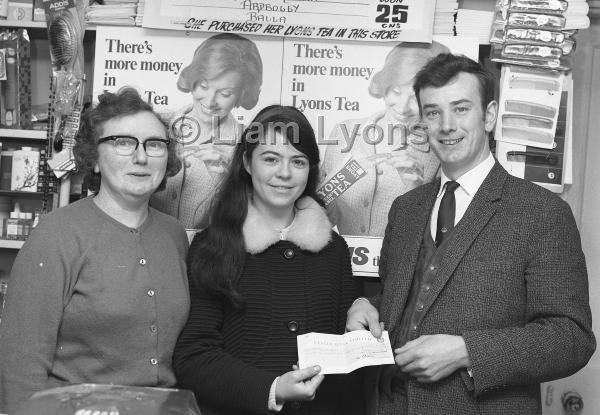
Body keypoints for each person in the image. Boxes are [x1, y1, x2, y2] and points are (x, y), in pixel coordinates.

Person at [346, 53, 595, 414]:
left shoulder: (542, 212)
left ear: (489, 115)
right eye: (433, 112)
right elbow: (409, 300)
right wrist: (368, 308)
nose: (447, 125)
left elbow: (571, 338)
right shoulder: (406, 209)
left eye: (460, 109)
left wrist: (466, 351)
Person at [0, 88, 190, 415]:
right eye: (122, 142)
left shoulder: (174, 234)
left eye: (154, 144)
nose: (141, 157)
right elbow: (21, 361)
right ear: (94, 159)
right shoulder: (57, 234)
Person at [173, 105, 360, 415]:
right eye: (270, 159)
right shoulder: (214, 246)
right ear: (247, 162)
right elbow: (192, 357)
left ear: (310, 169)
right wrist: (272, 389)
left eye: (297, 161)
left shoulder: (333, 248)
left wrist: (362, 314)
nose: (284, 173)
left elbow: (346, 355)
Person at [320, 42, 447, 238]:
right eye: (396, 91)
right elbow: (323, 220)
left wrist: (417, 193)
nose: (403, 107)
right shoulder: (344, 132)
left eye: (415, 98)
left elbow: (438, 238)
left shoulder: (440, 154)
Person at [151, 33, 263, 229]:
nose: (210, 101)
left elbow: (259, 220)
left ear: (241, 95)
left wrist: (228, 179)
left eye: (225, 93)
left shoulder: (251, 145)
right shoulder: (153, 126)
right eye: (204, 86)